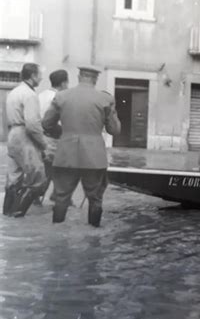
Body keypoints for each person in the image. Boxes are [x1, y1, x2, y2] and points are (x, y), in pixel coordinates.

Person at [42, 66, 121, 227]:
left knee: (61, 197)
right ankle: (93, 237)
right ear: (95, 79)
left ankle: (57, 236)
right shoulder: (104, 99)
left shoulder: (62, 96)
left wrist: (65, 134)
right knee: (95, 198)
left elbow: (46, 124)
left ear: (79, 77)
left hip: (66, 154)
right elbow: (115, 130)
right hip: (94, 157)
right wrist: (113, 110)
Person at [3, 63, 47, 217]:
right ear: (33, 76)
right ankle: (17, 215)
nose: (41, 78)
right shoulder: (30, 94)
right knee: (37, 178)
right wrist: (43, 144)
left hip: (13, 133)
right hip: (24, 136)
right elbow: (33, 124)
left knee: (14, 177)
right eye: (40, 75)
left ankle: (7, 214)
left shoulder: (14, 92)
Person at [35, 69, 69, 204]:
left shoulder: (40, 95)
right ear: (63, 83)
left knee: (47, 167)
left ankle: (40, 195)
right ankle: (52, 194)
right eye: (67, 82)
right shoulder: (59, 97)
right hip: (55, 136)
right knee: (60, 167)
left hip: (40, 136)